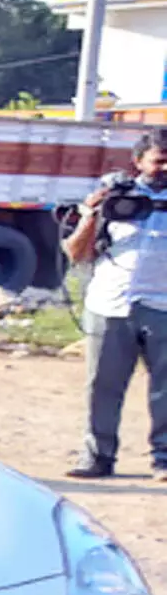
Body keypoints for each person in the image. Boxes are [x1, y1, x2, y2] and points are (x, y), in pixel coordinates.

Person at [65, 128, 167, 481]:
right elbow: (77, 254)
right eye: (158, 161)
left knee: (165, 389)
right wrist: (91, 215)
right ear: (138, 162)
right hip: (110, 304)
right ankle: (97, 458)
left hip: (163, 307)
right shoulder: (114, 199)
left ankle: (164, 461)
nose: (164, 168)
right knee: (102, 386)